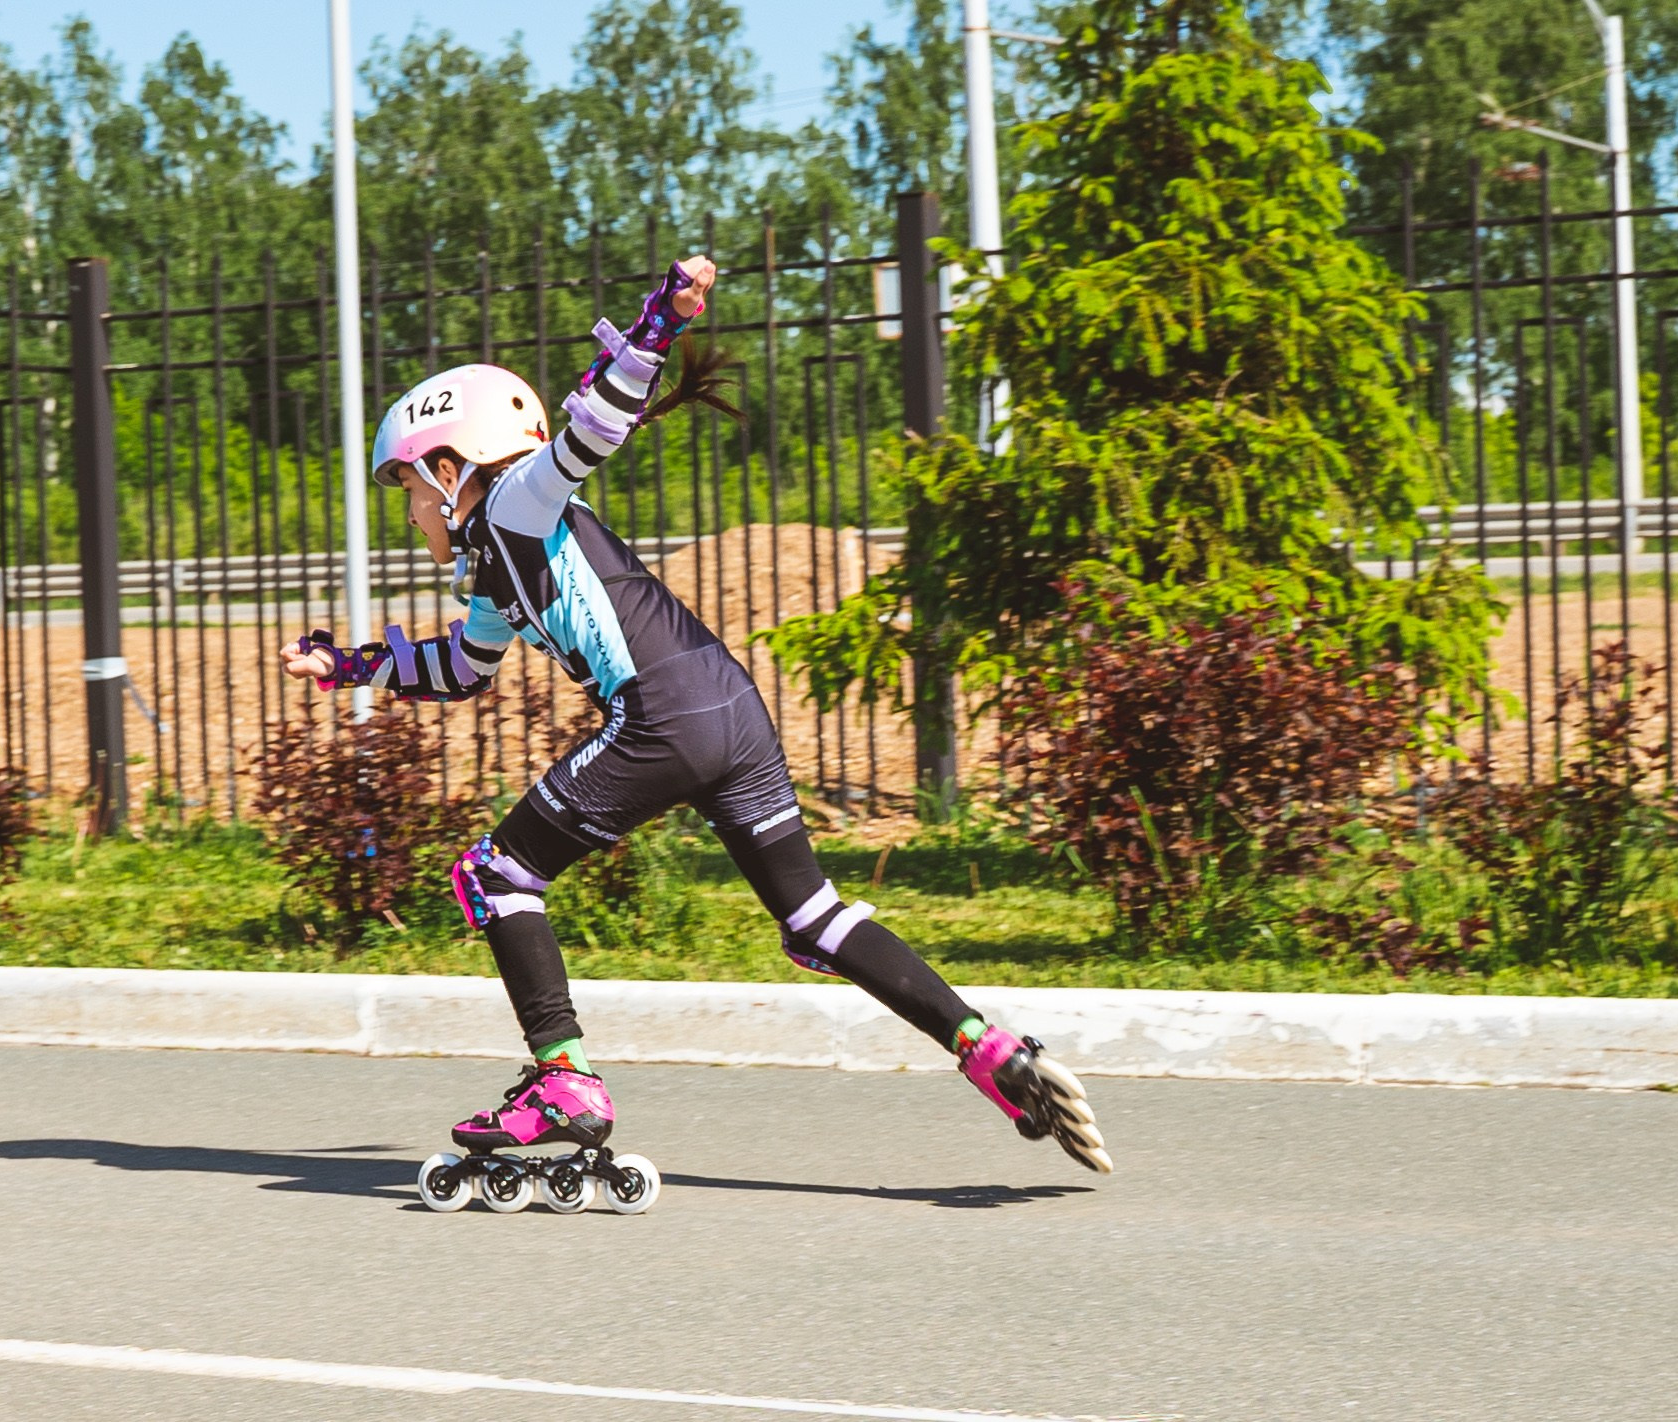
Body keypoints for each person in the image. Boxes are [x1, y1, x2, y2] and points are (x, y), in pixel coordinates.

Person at [281, 254, 1111, 1197]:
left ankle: (563, 1083)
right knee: (812, 920)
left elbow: (591, 431)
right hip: (731, 710)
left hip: (662, 718)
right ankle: (989, 1051)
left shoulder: (515, 504)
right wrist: (349, 666)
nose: (407, 513)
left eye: (405, 488)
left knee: (493, 875)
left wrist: (660, 324)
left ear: (447, 469)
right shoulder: (497, 565)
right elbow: (461, 671)